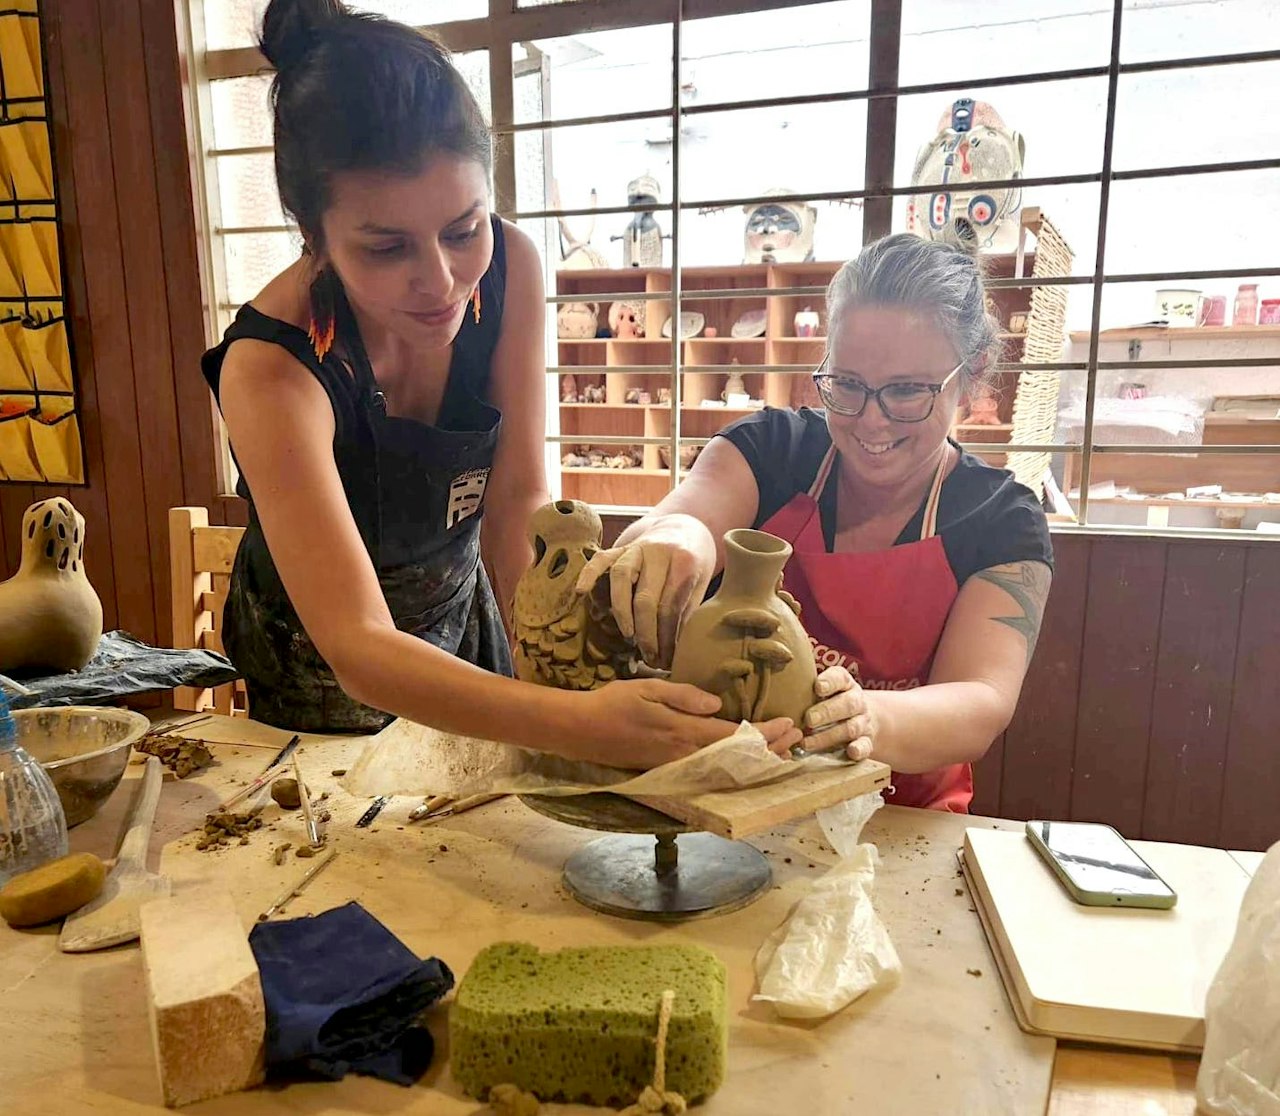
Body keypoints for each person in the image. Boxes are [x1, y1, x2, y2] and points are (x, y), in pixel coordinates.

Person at [200, 0, 801, 766]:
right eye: (387, 248)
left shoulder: (511, 266)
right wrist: (578, 723)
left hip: (463, 623)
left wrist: (551, 665)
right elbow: (357, 642)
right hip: (321, 674)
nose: (441, 280)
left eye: (463, 229)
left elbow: (516, 499)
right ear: (312, 235)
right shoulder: (270, 367)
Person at [578, 234, 1055, 811]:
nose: (871, 421)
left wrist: (863, 717)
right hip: (730, 804)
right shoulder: (771, 450)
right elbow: (683, 515)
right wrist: (675, 534)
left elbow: (981, 701)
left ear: (970, 376)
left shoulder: (1002, 520)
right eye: (847, 385)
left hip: (903, 822)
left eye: (907, 392)